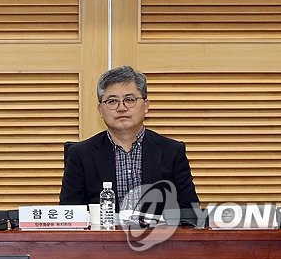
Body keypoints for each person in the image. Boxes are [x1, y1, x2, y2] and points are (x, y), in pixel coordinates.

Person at [59, 65, 199, 214]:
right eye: (112, 101)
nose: (121, 108)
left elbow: (190, 212)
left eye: (129, 100)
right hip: (103, 229)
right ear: (100, 110)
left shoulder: (171, 151)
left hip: (157, 230)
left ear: (146, 106)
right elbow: (69, 214)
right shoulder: (81, 154)